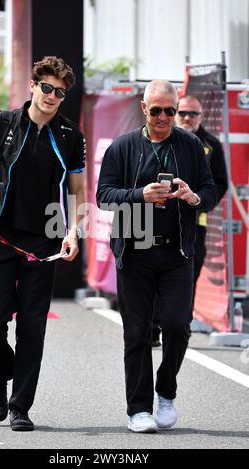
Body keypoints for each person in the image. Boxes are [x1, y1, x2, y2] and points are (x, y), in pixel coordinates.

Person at [0, 56, 85, 431]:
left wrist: (73, 230)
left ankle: (20, 406)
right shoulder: (2, 123)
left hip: (44, 243)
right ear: (32, 85)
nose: (51, 96)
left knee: (33, 326)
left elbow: (77, 191)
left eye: (59, 92)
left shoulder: (69, 136)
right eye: (46, 87)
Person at [96, 80, 216, 433]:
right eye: (157, 110)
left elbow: (210, 191)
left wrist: (193, 197)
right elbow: (104, 196)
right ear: (144, 109)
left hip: (177, 251)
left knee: (178, 326)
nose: (164, 117)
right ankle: (138, 409)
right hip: (135, 251)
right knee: (136, 333)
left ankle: (166, 391)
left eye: (171, 111)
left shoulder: (192, 146)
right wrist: (139, 195)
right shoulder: (123, 147)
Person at [152, 95, 228, 345]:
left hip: (195, 223)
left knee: (187, 276)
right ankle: (151, 329)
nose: (186, 118)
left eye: (192, 114)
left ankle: (179, 331)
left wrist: (199, 199)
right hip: (157, 219)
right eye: (182, 112)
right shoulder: (159, 137)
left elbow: (220, 184)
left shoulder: (211, 144)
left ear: (201, 117)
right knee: (152, 274)